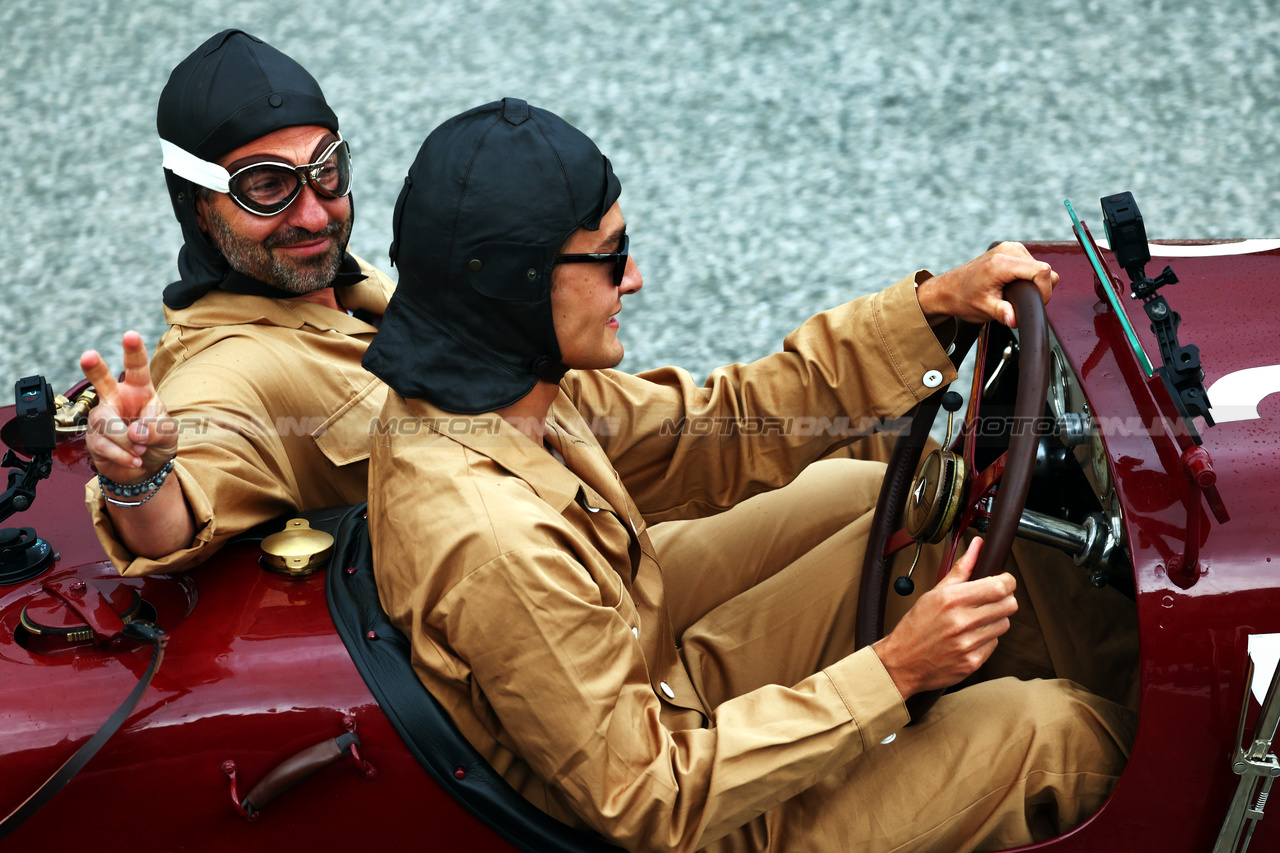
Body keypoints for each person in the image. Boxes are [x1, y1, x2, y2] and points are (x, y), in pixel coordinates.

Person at [363, 98, 1136, 853]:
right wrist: (897, 669)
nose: (632, 277)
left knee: (921, 524)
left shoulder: (497, 383)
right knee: (1061, 738)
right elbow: (651, 801)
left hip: (661, 691)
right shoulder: (497, 545)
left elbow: (717, 429)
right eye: (607, 256)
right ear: (516, 282)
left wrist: (931, 308)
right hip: (699, 811)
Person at [78, 29, 395, 576]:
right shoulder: (222, 372)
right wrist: (137, 478)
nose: (316, 216)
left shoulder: (356, 284)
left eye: (325, 171)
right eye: (267, 187)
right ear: (198, 208)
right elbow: (171, 527)